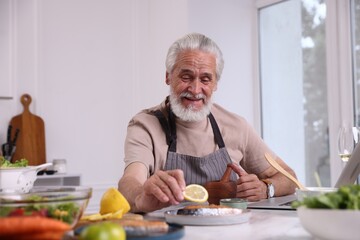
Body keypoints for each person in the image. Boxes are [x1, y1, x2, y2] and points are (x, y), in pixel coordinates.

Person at [118, 33, 297, 213]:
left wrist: (266, 188)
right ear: (168, 77)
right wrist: (141, 197)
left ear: (215, 84)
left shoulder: (236, 126)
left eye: (205, 79)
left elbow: (289, 178)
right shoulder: (144, 125)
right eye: (186, 77)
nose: (195, 90)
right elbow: (130, 181)